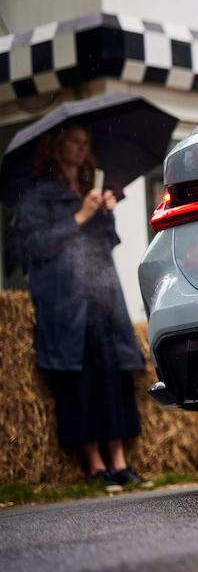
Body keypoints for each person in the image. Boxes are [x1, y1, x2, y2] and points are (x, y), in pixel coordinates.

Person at [11, 125, 153, 491]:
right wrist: (78, 217)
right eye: (73, 141)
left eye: (85, 142)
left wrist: (105, 211)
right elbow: (35, 245)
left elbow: (107, 241)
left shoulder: (91, 188)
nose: (81, 148)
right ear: (55, 149)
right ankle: (95, 465)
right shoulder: (37, 197)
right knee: (82, 380)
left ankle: (120, 462)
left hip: (102, 298)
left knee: (114, 377)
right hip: (66, 302)